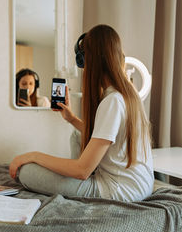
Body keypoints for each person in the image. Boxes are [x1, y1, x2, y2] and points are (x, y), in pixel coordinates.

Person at [9, 25, 154, 202]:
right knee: (77, 135)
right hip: (140, 185)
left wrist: (32, 155)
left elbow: (82, 171)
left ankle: (68, 179)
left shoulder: (113, 101)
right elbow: (106, 135)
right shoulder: (128, 94)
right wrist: (71, 119)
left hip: (119, 190)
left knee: (26, 172)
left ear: (89, 61)